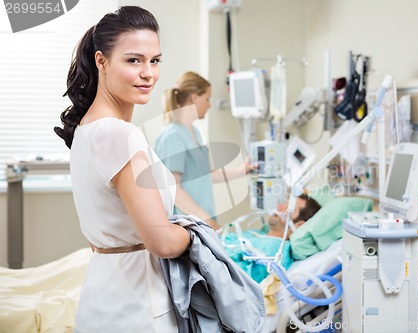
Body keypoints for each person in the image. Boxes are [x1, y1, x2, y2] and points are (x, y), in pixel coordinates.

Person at [53, 6, 190, 332]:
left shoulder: (86, 129)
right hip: (136, 305)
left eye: (154, 60)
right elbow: (163, 243)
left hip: (104, 291)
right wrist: (197, 234)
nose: (149, 73)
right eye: (134, 60)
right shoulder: (117, 134)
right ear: (102, 61)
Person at [154, 71, 255, 230]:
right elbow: (174, 190)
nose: (209, 104)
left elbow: (205, 175)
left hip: (200, 222)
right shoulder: (172, 137)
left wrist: (243, 170)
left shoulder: (193, 133)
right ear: (194, 97)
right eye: (207, 98)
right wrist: (207, 220)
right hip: (185, 225)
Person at [222, 194, 322, 283]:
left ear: (299, 225)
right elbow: (221, 240)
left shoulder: (275, 249)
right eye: (285, 203)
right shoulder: (257, 233)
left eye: (288, 208)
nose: (280, 207)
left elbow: (236, 280)